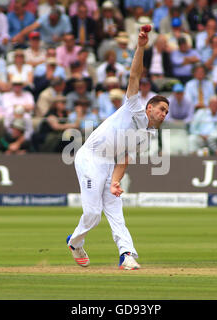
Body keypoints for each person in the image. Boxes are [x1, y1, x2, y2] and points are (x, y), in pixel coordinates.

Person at [66, 30, 169, 270]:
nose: (163, 114)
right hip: (90, 158)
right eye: (161, 109)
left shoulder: (148, 136)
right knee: (92, 214)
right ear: (150, 107)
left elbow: (125, 157)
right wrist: (141, 47)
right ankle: (75, 241)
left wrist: (115, 182)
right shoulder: (133, 106)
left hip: (110, 163)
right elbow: (135, 75)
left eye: (166, 112)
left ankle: (127, 254)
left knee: (115, 210)